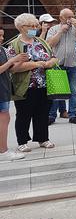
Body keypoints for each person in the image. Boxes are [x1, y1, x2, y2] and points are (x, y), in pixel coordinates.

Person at [7, 13, 59, 153]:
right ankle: (22, 141)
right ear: (22, 27)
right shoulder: (14, 45)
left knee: (42, 112)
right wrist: (35, 64)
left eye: (36, 25)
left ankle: (43, 138)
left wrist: (49, 63)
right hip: (26, 86)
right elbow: (12, 68)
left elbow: (54, 57)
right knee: (24, 114)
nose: (35, 28)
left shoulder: (41, 42)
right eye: (32, 26)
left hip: (44, 84)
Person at [46, 8, 76, 125]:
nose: (70, 19)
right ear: (61, 18)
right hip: (58, 64)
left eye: (72, 16)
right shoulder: (54, 29)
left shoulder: (75, 29)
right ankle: (52, 115)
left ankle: (73, 114)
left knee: (74, 90)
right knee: (57, 91)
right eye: (68, 17)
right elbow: (50, 44)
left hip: (73, 63)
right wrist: (60, 31)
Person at [0, 28, 29, 161]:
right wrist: (12, 61)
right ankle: (3, 151)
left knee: (5, 119)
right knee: (3, 119)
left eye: (2, 35)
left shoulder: (2, 50)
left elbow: (10, 69)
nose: (1, 38)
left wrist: (20, 61)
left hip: (4, 89)